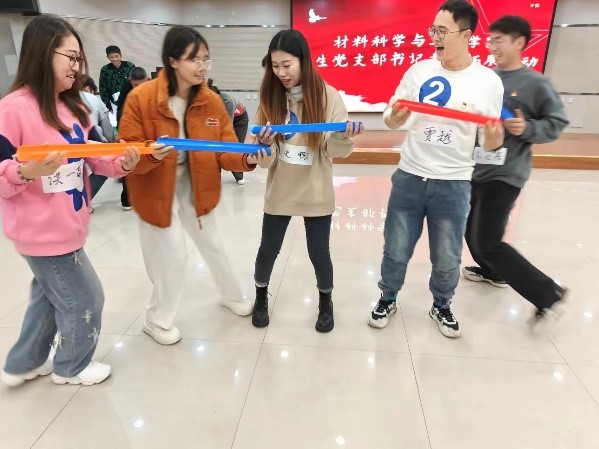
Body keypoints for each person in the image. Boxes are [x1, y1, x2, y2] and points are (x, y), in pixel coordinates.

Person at [0, 15, 141, 387]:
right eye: (70, 57)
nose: (77, 66)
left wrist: (122, 162)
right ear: (43, 54)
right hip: (41, 232)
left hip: (70, 223)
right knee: (85, 299)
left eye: (80, 58)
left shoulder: (74, 105)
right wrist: (26, 172)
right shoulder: (12, 109)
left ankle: (23, 363)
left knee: (49, 297)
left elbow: (94, 155)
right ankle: (71, 366)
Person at [118, 26, 266, 345]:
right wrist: (149, 154)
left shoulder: (211, 101)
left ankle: (231, 294)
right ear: (173, 61)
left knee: (213, 243)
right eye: (194, 59)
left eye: (206, 59)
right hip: (155, 187)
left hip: (196, 183)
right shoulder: (141, 98)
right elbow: (126, 149)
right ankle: (156, 319)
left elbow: (225, 148)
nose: (202, 66)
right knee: (172, 255)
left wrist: (248, 158)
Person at [367, 0, 504, 338]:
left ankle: (441, 304)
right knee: (396, 247)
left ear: (466, 35)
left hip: (454, 182)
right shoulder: (419, 72)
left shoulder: (487, 82)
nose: (435, 37)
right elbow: (392, 118)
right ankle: (388, 296)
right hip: (410, 176)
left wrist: (493, 136)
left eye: (443, 31)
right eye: (433, 30)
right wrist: (395, 116)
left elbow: (489, 144)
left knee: (446, 255)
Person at [251, 29, 363, 332]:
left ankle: (326, 301)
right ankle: (260, 296)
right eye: (275, 66)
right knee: (268, 249)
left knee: (319, 253)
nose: (281, 73)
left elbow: (334, 151)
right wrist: (264, 146)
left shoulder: (328, 96)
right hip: (281, 189)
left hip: (316, 189)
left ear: (304, 61)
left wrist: (343, 136)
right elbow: (265, 160)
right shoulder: (270, 97)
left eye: (287, 65)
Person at [462, 15, 570, 331]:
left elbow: (557, 122)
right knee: (470, 233)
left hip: (507, 173)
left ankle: (548, 293)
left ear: (519, 42)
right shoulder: (487, 79)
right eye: (490, 40)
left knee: (488, 241)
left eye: (499, 40)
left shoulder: (535, 83)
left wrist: (527, 128)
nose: (491, 46)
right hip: (478, 168)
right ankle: (494, 272)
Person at [114, 66, 150, 210]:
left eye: (141, 84)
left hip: (147, 128)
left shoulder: (153, 86)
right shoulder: (126, 88)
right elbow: (120, 110)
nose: (138, 88)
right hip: (129, 127)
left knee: (148, 161)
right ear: (130, 81)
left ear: (147, 80)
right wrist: (121, 131)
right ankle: (126, 198)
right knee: (127, 159)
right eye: (135, 85)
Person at [207, 78, 249, 184]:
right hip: (223, 120)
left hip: (240, 120)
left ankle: (239, 176)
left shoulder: (228, 101)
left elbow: (228, 125)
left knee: (235, 146)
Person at [98, 45, 135, 112]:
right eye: (111, 57)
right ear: (108, 57)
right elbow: (103, 88)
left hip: (131, 100)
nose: (115, 59)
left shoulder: (129, 66)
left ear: (121, 56)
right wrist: (107, 104)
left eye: (116, 56)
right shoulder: (105, 70)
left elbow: (136, 82)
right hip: (115, 104)